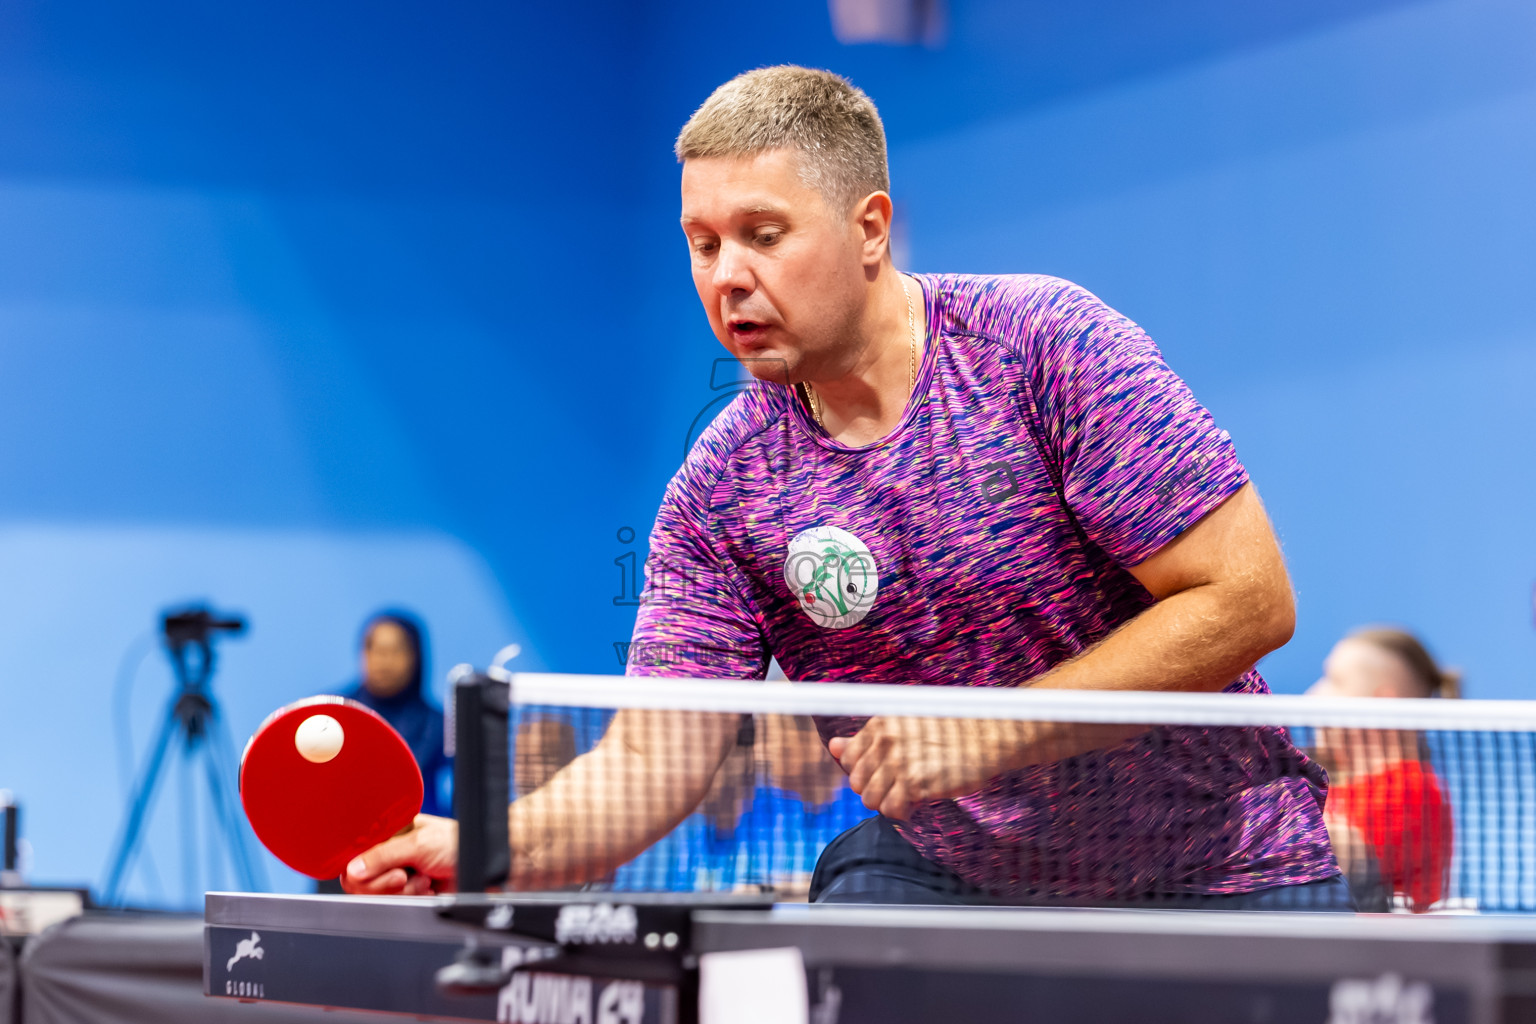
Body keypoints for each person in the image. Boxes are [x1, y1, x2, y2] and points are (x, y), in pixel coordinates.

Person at [344, 66, 1348, 910]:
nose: (726, 276)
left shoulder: (1046, 346)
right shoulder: (723, 489)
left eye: (762, 234)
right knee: (851, 899)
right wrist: (479, 846)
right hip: (971, 880)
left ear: (871, 228)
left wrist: (991, 729)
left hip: (1226, 869)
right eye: (702, 243)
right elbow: (651, 759)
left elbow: (1247, 599)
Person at [1307, 627, 1457, 912]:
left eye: (1334, 681)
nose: (1312, 694)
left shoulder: (1414, 789)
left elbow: (1339, 853)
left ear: (1381, 702)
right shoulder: (1330, 783)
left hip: (1389, 953)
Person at [344, 611, 451, 818]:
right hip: (348, 841)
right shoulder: (331, 716)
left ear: (416, 657)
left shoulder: (441, 726)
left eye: (396, 651)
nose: (385, 661)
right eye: (375, 649)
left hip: (420, 841)